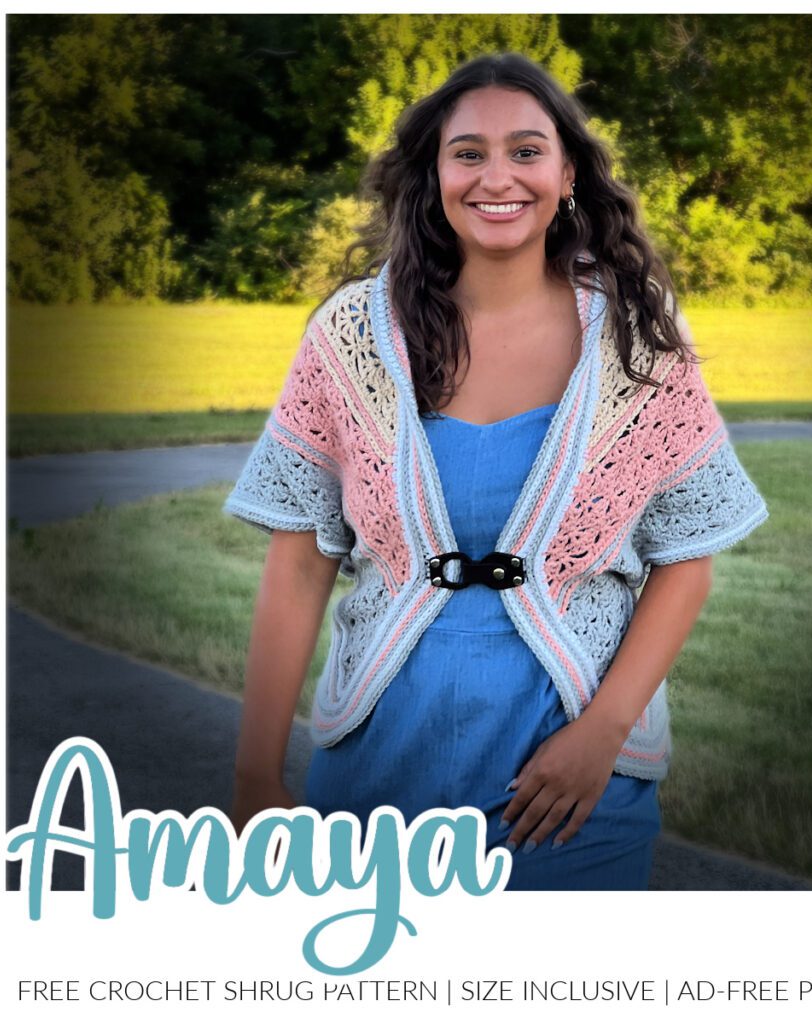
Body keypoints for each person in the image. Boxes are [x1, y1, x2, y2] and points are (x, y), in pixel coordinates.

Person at [223, 52, 769, 890]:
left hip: (573, 782)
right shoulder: (351, 337)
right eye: (468, 153)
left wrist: (604, 736)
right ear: (434, 175)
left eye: (526, 150)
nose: (497, 177)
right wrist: (255, 777)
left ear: (569, 173)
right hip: (376, 763)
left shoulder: (637, 337)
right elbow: (299, 562)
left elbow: (686, 561)